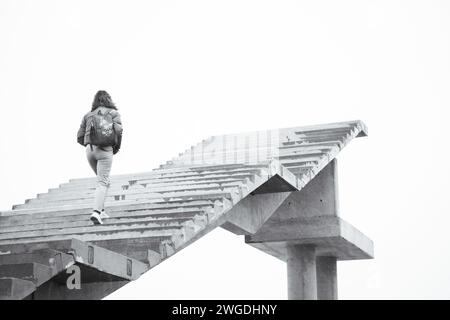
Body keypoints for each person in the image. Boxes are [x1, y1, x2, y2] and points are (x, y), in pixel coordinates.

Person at [77, 90, 123, 224]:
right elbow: (119, 132)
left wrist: (90, 144)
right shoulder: (113, 113)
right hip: (105, 150)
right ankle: (96, 212)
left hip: (90, 151)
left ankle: (102, 211)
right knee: (102, 182)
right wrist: (114, 148)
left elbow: (79, 137)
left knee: (103, 180)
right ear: (109, 100)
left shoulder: (88, 115)